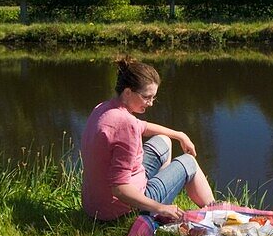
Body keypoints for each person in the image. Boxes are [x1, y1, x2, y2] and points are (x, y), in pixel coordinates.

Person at [81, 58, 215, 221]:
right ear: (128, 92)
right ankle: (215, 213)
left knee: (164, 140)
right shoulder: (125, 125)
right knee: (189, 162)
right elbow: (119, 189)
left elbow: (142, 127)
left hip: (94, 205)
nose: (151, 103)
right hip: (119, 210)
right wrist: (162, 208)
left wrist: (179, 134)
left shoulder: (104, 108)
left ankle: (157, 198)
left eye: (153, 98)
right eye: (147, 97)